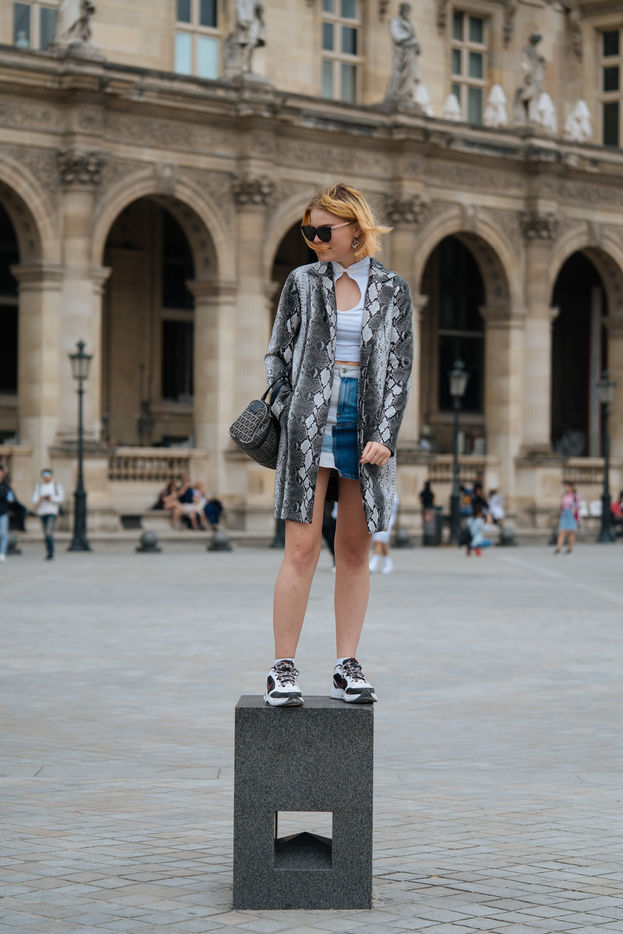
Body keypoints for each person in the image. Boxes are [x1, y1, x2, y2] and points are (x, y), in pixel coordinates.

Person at [263, 181, 414, 707]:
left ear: (355, 228)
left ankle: (346, 665)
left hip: (364, 423)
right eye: (308, 232)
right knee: (301, 550)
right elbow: (277, 355)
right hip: (309, 423)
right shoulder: (302, 282)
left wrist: (385, 436)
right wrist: (290, 409)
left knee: (353, 551)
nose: (314, 240)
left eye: (323, 231)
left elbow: (400, 368)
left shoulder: (392, 289)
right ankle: (282, 667)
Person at [32, 468, 64, 560]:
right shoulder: (39, 486)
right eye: (44, 476)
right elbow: (34, 499)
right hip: (42, 512)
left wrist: (51, 498)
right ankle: (49, 550)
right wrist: (40, 498)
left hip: (52, 511)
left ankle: (51, 551)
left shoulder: (56, 486)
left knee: (48, 532)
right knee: (46, 533)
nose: (46, 478)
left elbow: (61, 498)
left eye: (48, 476)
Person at [370, 491, 399, 575]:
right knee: (382, 542)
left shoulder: (392, 494)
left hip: (386, 521)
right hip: (378, 520)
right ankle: (388, 563)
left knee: (378, 541)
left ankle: (374, 563)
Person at [554, 480, 579, 554]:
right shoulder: (564, 495)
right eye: (565, 486)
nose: (565, 488)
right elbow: (562, 505)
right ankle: (558, 547)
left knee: (571, 532)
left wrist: (577, 517)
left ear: (571, 487)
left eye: (567, 486)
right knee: (562, 531)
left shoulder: (575, 496)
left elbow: (577, 506)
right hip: (564, 513)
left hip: (571, 514)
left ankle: (570, 548)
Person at [0, 464, 16, 563]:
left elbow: (11, 499)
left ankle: (2, 553)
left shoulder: (6, 485)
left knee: (3, 534)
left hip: (3, 512)